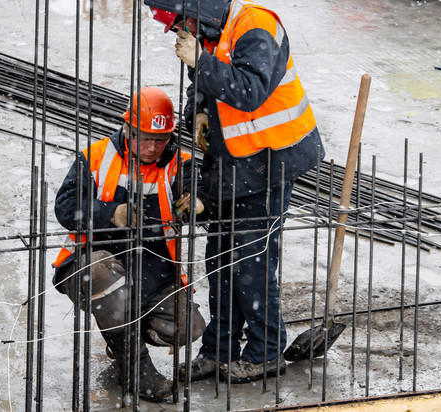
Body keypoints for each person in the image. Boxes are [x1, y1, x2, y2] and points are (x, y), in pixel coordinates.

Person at [146, 0, 326, 384]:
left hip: (272, 159)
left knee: (251, 265)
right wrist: (198, 107)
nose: (184, 30)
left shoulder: (255, 25)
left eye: (185, 23)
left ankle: (266, 351)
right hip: (234, 160)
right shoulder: (211, 31)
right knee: (221, 262)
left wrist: (200, 61)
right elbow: (205, 87)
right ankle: (218, 350)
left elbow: (250, 90)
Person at [52, 87, 206, 402]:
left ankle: (121, 337)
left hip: (151, 270)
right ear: (127, 128)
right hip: (91, 264)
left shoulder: (182, 163)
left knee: (186, 327)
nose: (152, 147)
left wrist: (198, 202)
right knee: (106, 282)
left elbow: (199, 195)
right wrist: (110, 213)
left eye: (160, 140)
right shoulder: (96, 157)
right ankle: (135, 370)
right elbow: (65, 208)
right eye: (144, 138)